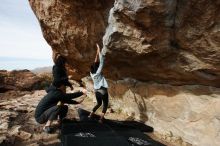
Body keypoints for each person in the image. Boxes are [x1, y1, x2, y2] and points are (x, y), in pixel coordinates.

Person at [88, 44, 109, 123]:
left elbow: (95, 63)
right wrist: (99, 51)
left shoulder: (91, 73)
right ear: (97, 67)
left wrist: (97, 52)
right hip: (102, 90)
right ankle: (101, 119)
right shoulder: (98, 71)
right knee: (105, 104)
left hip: (96, 91)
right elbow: (102, 61)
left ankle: (90, 114)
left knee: (99, 103)